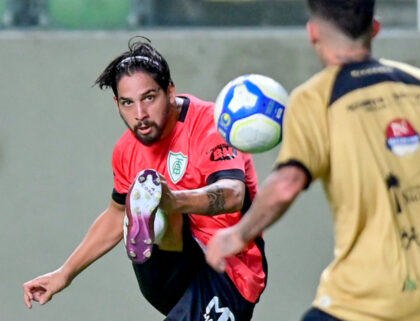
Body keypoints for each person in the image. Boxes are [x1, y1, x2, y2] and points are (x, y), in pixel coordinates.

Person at [206, 1, 420, 320]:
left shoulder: (314, 99)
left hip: (363, 301)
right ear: (374, 28)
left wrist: (237, 235)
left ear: (313, 33)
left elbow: (286, 186)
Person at [23, 38, 267, 321]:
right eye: (127, 103)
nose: (139, 114)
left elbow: (233, 194)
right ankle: (157, 225)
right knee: (144, 199)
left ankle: (161, 216)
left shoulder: (210, 124)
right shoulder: (126, 150)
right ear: (117, 103)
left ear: (170, 91)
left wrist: (173, 200)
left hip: (229, 272)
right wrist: (64, 274)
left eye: (149, 98)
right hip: (169, 272)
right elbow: (116, 216)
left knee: (163, 202)